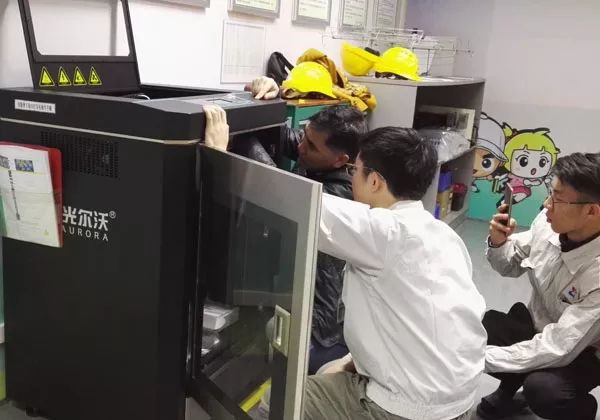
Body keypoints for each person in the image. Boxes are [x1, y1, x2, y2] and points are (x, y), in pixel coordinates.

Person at [205, 115, 488, 419]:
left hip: (409, 408)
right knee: (329, 372)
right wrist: (355, 362)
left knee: (280, 399)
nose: (351, 178)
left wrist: (219, 156)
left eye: (355, 170)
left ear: (375, 181)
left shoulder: (383, 232)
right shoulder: (442, 235)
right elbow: (420, 321)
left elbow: (294, 204)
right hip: (459, 399)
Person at [216, 77, 370, 375]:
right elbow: (283, 136)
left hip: (321, 327)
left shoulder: (342, 194)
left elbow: (281, 195)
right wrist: (269, 93)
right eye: (304, 135)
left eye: (310, 145)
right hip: (297, 293)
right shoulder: (317, 151)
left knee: (272, 357)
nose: (300, 146)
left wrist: (220, 151)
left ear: (341, 160)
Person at [479, 152, 600, 420]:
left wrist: (480, 359)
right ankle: (509, 390)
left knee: (545, 390)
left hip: (586, 350)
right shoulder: (548, 224)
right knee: (484, 328)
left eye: (558, 198)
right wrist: (499, 242)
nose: (546, 204)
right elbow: (509, 266)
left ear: (592, 211)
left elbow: (560, 346)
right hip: (542, 323)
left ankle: (581, 412)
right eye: (550, 193)